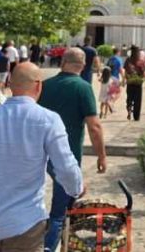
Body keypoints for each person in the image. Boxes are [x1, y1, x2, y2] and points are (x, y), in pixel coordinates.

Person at [0, 62, 83, 252]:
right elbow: (66, 168)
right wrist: (76, 188)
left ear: (9, 84)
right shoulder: (48, 120)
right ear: (38, 86)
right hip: (25, 222)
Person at [37, 49, 106, 252]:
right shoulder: (83, 88)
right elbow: (94, 127)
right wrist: (101, 156)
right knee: (61, 210)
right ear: (83, 66)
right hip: (67, 155)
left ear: (62, 63)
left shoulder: (45, 86)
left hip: (40, 152)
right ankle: (49, 247)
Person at [123, 46, 145, 121]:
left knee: (129, 98)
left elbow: (125, 72)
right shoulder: (141, 61)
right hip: (138, 83)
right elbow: (143, 73)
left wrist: (125, 79)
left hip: (130, 82)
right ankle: (136, 116)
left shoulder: (128, 60)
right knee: (137, 101)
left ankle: (129, 109)